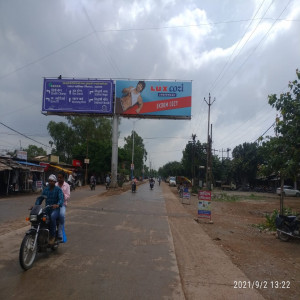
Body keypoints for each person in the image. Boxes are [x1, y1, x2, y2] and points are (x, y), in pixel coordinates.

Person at [35, 174, 64, 245]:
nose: (50, 182)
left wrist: (57, 204)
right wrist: (35, 205)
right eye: (49, 181)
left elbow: (61, 199)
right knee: (39, 217)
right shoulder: (46, 190)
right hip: (47, 209)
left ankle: (52, 236)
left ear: (55, 182)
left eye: (52, 181)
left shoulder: (58, 190)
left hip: (55, 209)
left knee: (52, 217)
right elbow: (40, 198)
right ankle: (39, 234)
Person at [56, 171, 70, 241]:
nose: (59, 179)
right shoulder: (55, 184)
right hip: (54, 205)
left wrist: (62, 194)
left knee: (61, 215)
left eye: (60, 177)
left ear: (63, 178)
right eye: (58, 177)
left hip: (62, 205)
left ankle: (60, 234)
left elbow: (68, 197)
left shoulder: (67, 185)